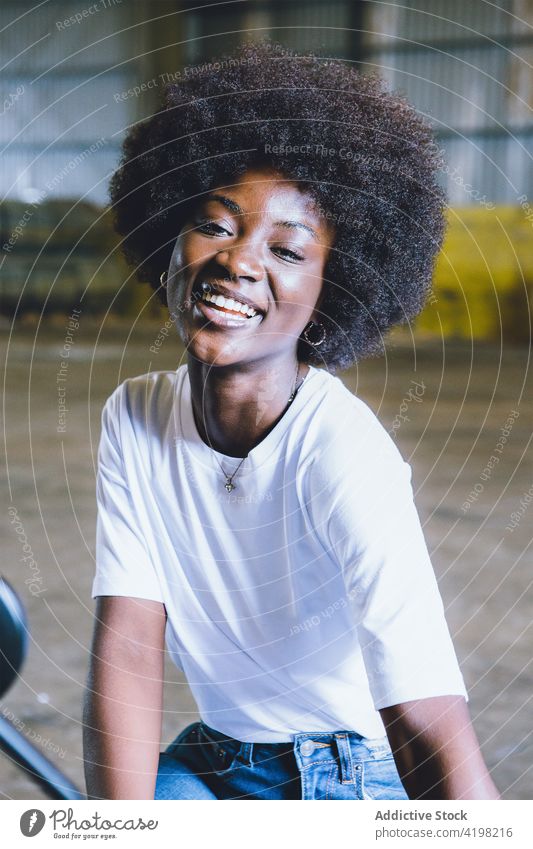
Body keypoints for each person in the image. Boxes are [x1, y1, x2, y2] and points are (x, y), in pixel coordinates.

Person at [82, 40, 499, 800]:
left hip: (344, 772)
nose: (238, 261)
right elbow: (132, 646)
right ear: (168, 238)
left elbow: (424, 708)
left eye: (287, 249)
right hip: (212, 756)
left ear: (330, 291)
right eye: (215, 224)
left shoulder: (341, 451)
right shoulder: (135, 414)